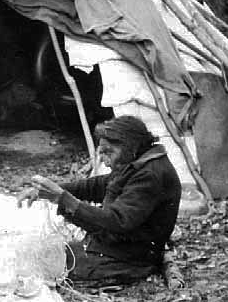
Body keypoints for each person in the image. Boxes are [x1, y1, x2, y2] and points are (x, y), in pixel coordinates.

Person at [16, 115, 182, 284]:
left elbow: (117, 221)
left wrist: (63, 198)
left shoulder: (150, 174)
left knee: (43, 265)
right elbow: (99, 185)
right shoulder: (136, 163)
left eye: (108, 152)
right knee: (44, 254)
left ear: (130, 147)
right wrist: (51, 190)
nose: (102, 158)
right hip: (116, 248)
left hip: (128, 260)